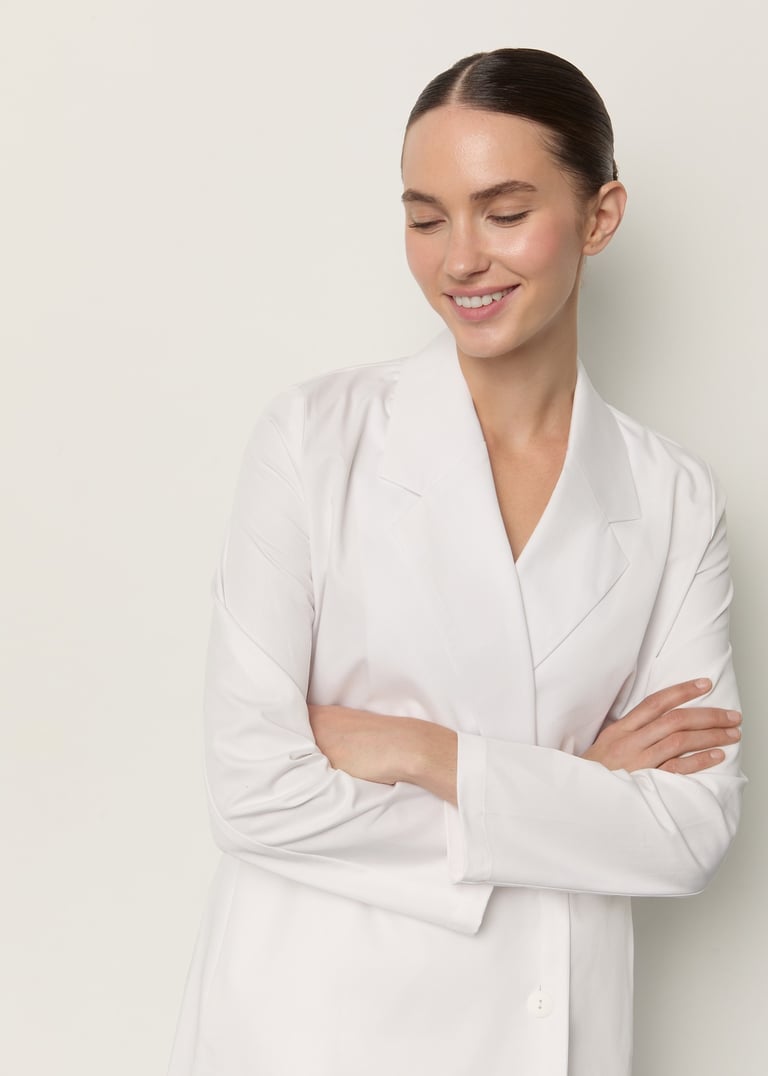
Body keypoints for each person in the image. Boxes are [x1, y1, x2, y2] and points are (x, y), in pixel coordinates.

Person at [167, 48, 745, 1076]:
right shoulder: (315, 439)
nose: (460, 260)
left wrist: (423, 752)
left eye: (505, 211)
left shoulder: (674, 497)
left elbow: (689, 830)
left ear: (601, 216)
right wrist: (577, 793)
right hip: (310, 1024)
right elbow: (253, 790)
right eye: (426, 219)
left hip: (545, 1024)